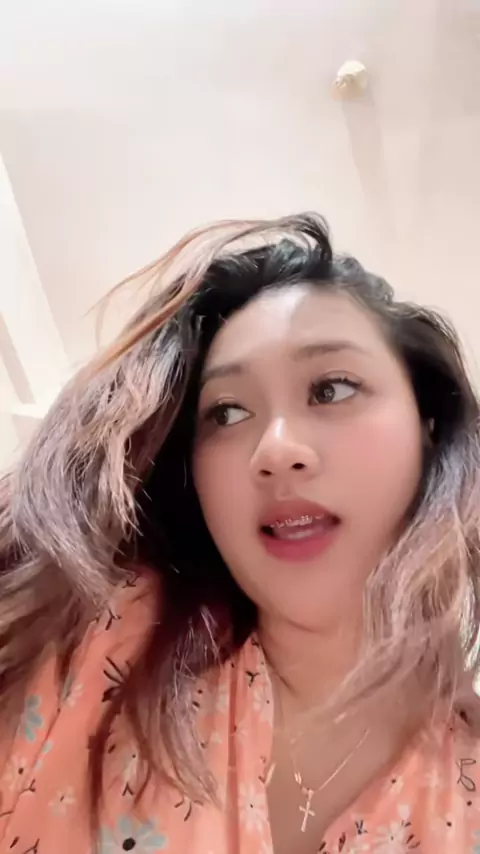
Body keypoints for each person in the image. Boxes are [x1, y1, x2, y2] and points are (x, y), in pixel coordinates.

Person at [0, 213, 479, 854]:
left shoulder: (465, 792)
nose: (276, 450)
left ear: (427, 426)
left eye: (332, 388)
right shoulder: (84, 635)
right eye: (227, 412)